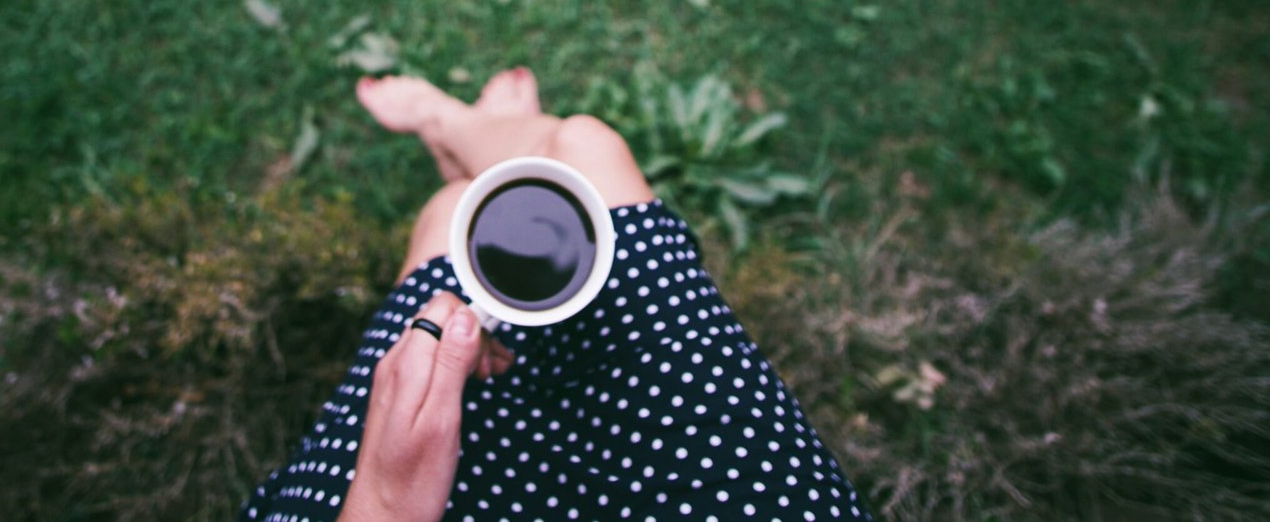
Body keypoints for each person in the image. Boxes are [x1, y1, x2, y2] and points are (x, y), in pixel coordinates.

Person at [241, 67, 868, 522]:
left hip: (409, 501)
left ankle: (451, 134)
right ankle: (480, 130)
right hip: (724, 491)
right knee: (585, 145)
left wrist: (382, 504)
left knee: (447, 216)